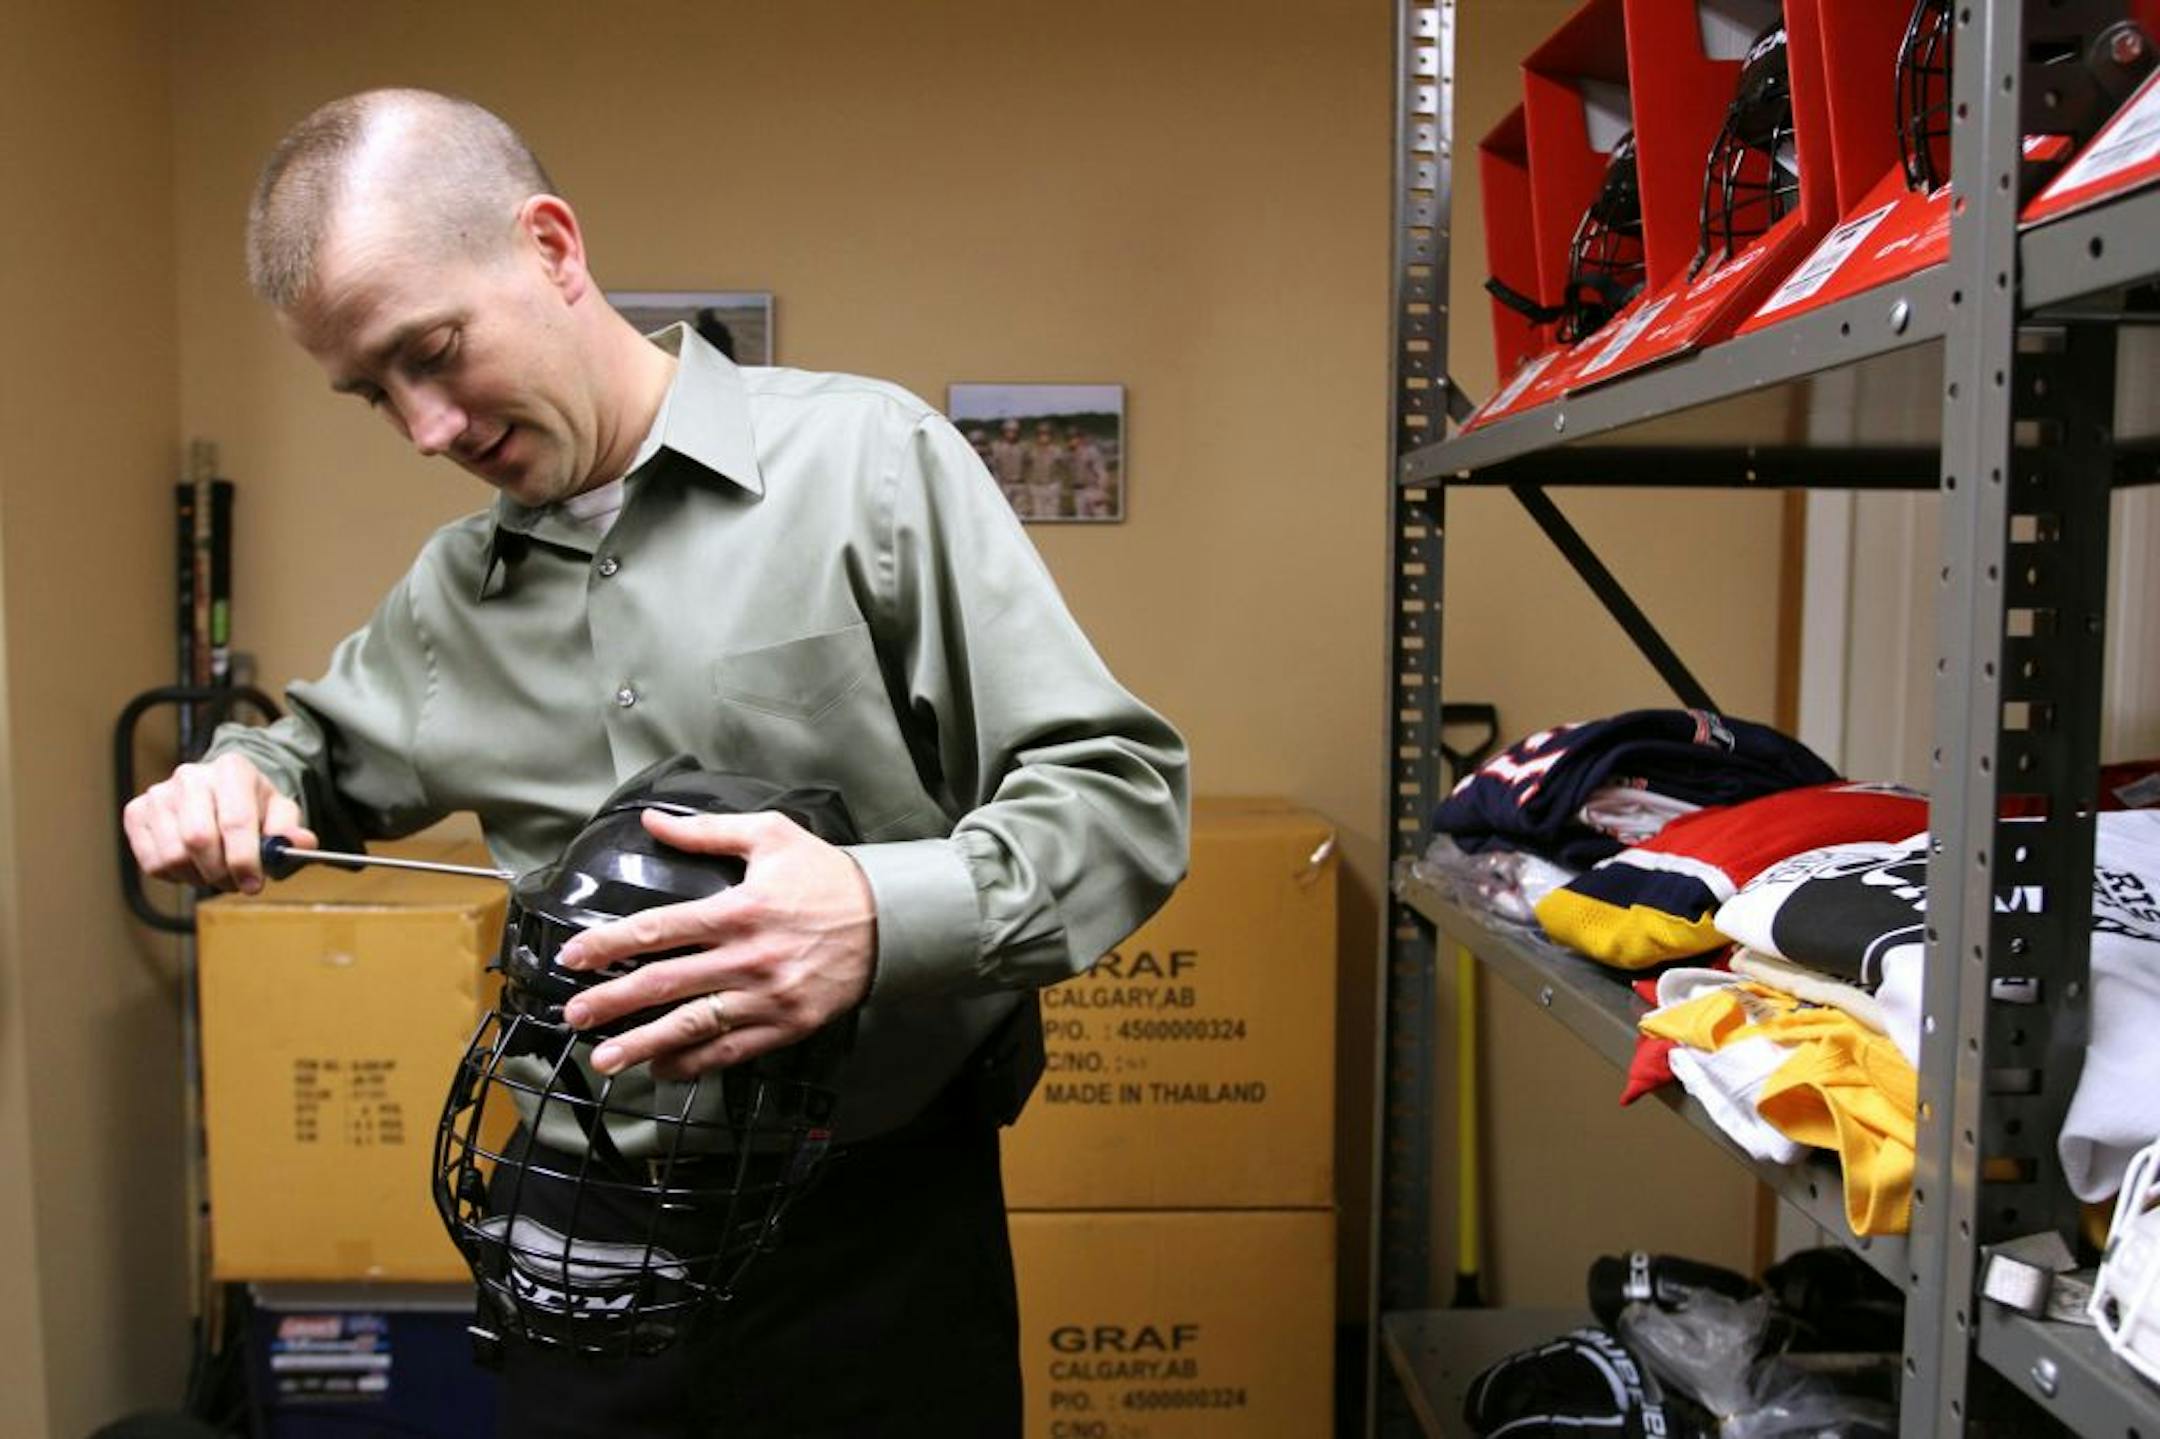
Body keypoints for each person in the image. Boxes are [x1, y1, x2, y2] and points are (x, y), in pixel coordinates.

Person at [121, 88, 1189, 1438]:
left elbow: (1120, 796)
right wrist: (237, 773)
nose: (427, 428)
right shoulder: (450, 596)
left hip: (874, 1236)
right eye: (371, 392)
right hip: (580, 1241)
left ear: (554, 249)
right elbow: (301, 753)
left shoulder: (870, 464)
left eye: (434, 350)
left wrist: (872, 912)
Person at [1022, 419, 1068, 520]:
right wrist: (1028, 485)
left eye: (1046, 434)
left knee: (1053, 517)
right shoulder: (1031, 451)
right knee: (1038, 517)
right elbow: (1025, 468)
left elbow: (1065, 468)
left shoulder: (1057, 450)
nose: (1044, 437)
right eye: (1041, 434)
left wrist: (1062, 485)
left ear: (1051, 435)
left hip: (1052, 486)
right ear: (1037, 435)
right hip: (1036, 487)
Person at [987, 415, 1028, 512]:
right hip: (1003, 485)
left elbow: (1028, 466)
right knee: (1003, 512)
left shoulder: (1023, 447)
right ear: (1004, 431)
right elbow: (993, 467)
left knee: (1020, 514)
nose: (1012, 434)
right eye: (1009, 431)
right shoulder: (996, 447)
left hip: (1019, 485)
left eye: (1014, 431)